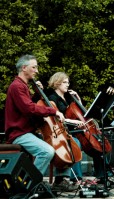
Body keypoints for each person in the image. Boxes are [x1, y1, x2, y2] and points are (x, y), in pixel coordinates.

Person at [4, 54, 78, 191]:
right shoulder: (17, 86)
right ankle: (31, 185)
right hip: (19, 133)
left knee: (62, 146)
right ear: (24, 68)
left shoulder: (23, 86)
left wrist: (37, 95)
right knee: (47, 151)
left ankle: (60, 181)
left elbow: (27, 105)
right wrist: (53, 111)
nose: (37, 71)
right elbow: (28, 109)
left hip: (27, 131)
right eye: (34, 67)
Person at [47, 72, 106, 185]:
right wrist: (74, 121)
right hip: (64, 131)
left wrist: (78, 99)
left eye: (68, 82)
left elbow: (79, 114)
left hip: (75, 130)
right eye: (64, 82)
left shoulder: (68, 98)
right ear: (57, 83)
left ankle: (101, 175)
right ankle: (77, 178)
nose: (67, 84)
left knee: (98, 141)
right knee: (76, 142)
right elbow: (57, 117)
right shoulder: (53, 98)